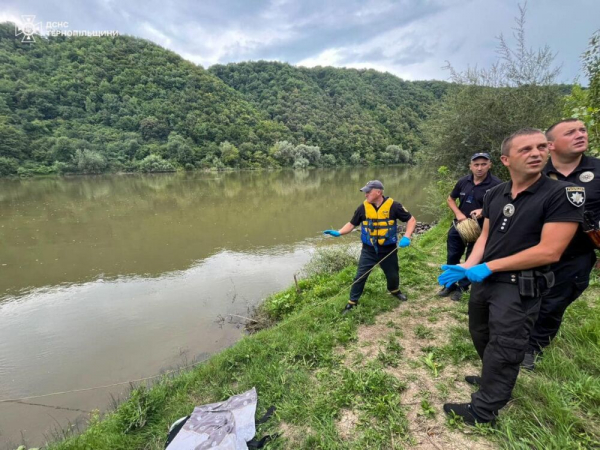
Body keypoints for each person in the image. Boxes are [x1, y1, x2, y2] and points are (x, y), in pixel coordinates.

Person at [438, 128, 583, 425]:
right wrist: (469, 267)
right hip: (485, 279)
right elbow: (485, 237)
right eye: (526, 149)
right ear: (507, 159)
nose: (536, 153)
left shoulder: (561, 195)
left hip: (520, 285)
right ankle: (491, 377)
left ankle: (483, 410)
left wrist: (491, 266)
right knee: (480, 333)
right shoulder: (495, 193)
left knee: (506, 344)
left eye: (542, 147)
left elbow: (550, 251)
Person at [524, 119, 600, 369]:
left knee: (554, 304)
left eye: (582, 130)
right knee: (527, 297)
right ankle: (518, 339)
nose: (580, 135)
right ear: (551, 145)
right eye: (570, 133)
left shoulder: (598, 171)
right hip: (536, 252)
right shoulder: (536, 174)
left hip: (576, 256)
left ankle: (533, 348)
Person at [323, 180, 417, 314]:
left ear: (378, 192)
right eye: (365, 192)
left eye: (368, 191)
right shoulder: (362, 208)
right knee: (360, 276)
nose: (365, 194)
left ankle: (394, 290)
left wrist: (407, 236)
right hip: (369, 250)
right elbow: (351, 224)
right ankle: (352, 303)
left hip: (388, 249)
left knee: (392, 274)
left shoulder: (394, 206)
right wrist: (339, 232)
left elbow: (411, 220)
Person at [439, 153, 502, 301]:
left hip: (481, 229)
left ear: (489, 165)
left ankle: (463, 286)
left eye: (483, 164)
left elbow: (502, 205)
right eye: (476, 164)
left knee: (472, 257)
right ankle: (449, 284)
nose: (479, 168)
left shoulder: (496, 184)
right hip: (459, 225)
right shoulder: (463, 181)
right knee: (453, 254)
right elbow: (451, 199)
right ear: (471, 166)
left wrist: (483, 210)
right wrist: (459, 214)